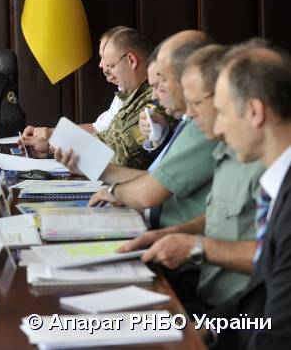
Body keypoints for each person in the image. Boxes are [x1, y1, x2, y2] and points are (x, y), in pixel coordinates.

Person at [119, 45, 264, 313]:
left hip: (237, 311)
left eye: (197, 103)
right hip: (207, 292)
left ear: (254, 111)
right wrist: (169, 235)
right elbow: (220, 216)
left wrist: (197, 246)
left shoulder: (268, 165)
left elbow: (275, 261)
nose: (189, 113)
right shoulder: (230, 149)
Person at [56, 30, 216, 228]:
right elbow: (155, 178)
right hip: (154, 226)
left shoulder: (204, 124)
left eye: (162, 82)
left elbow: (150, 189)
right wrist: (93, 167)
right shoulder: (188, 120)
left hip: (164, 233)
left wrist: (113, 192)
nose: (155, 95)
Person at [207, 44, 291, 349]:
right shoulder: (279, 186)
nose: (217, 128)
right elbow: (262, 294)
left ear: (255, 112)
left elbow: (278, 335)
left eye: (222, 112)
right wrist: (206, 329)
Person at [24, 28, 159, 169]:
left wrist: (55, 143)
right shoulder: (131, 94)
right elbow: (106, 137)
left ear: (131, 61)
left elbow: (121, 157)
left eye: (110, 66)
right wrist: (53, 145)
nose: (104, 68)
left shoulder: (155, 100)